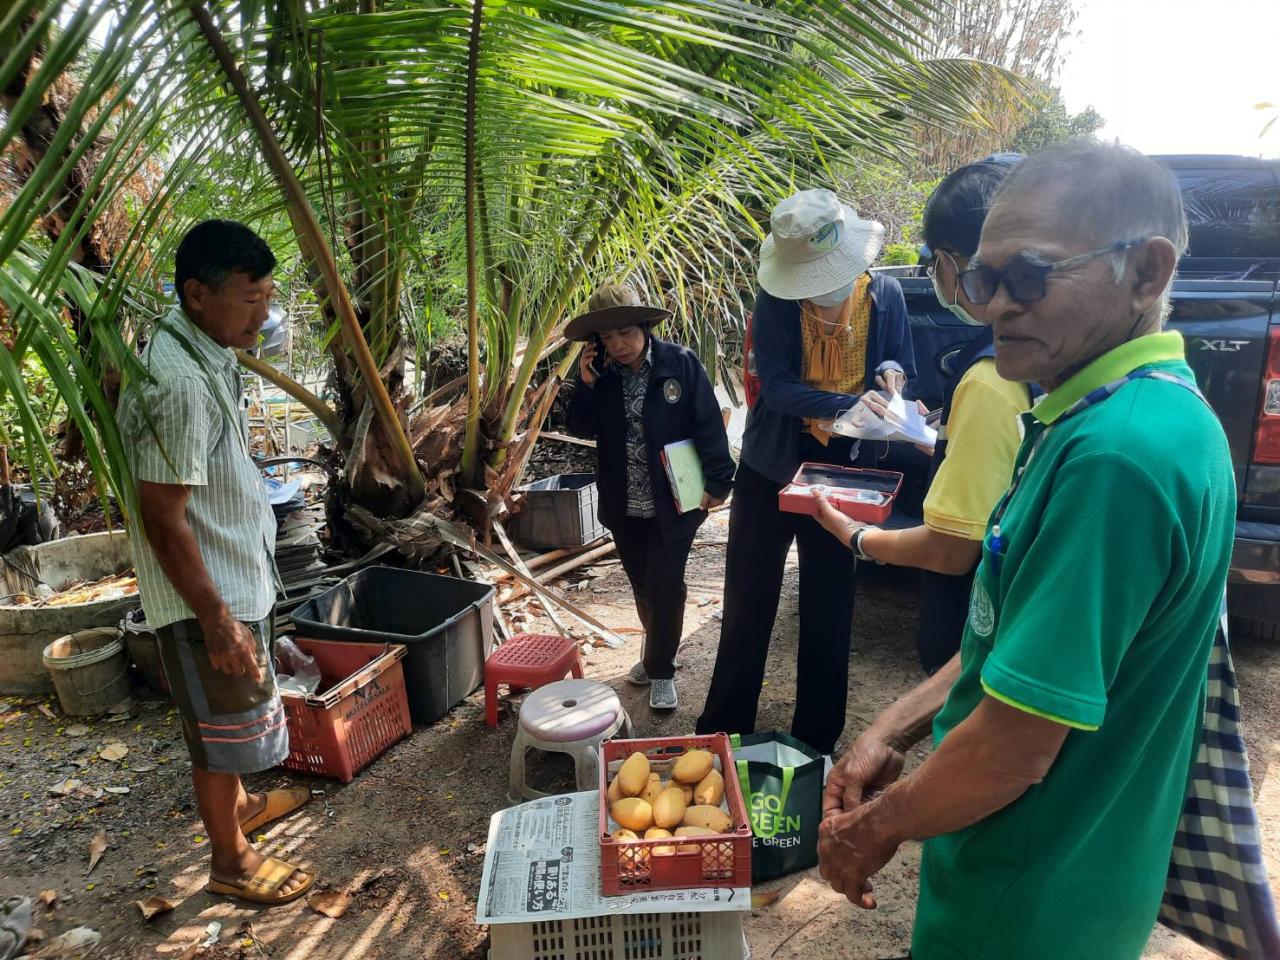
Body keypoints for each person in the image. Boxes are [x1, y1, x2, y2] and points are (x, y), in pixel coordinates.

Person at [815, 142, 1236, 958]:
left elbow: (1011, 746)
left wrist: (868, 832)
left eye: (1030, 277)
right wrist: (892, 730)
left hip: (1029, 898)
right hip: (1069, 874)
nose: (995, 306)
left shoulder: (1117, 455)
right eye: (981, 278)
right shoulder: (1126, 414)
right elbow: (1013, 633)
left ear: (1146, 273)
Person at [118, 220, 313, 906]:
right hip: (209, 594)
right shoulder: (177, 384)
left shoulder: (199, 349)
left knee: (235, 722)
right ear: (197, 293)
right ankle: (230, 860)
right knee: (218, 735)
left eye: (268, 295)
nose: (263, 314)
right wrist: (216, 617)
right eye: (249, 298)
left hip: (233, 577)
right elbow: (164, 519)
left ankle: (239, 816)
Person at [696, 189, 915, 756]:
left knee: (830, 599)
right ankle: (723, 727)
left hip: (843, 471)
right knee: (748, 598)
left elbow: (896, 360)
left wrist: (890, 381)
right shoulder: (776, 302)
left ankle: (817, 738)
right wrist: (843, 406)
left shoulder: (884, 294)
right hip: (772, 466)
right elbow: (777, 386)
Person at [815, 155, 1033, 676]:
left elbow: (952, 551)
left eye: (933, 263)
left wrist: (855, 534)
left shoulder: (988, 380)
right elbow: (1005, 461)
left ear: (956, 263)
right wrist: (935, 441)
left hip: (971, 622)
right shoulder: (1041, 363)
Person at [565, 284, 735, 710]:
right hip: (624, 502)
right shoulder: (599, 376)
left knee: (665, 584)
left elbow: (708, 422)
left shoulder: (679, 364)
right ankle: (658, 651)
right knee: (642, 583)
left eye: (625, 332)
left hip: (675, 498)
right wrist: (585, 385)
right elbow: (580, 429)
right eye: (607, 337)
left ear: (643, 326)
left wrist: (719, 482)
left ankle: (661, 670)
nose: (617, 344)